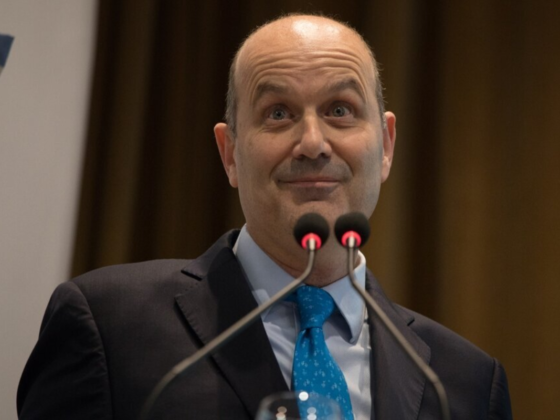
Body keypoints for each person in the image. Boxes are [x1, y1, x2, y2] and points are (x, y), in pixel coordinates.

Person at [17, 14, 512, 420]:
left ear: (385, 146)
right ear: (229, 153)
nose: (313, 143)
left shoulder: (464, 382)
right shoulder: (110, 326)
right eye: (278, 113)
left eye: (340, 110)